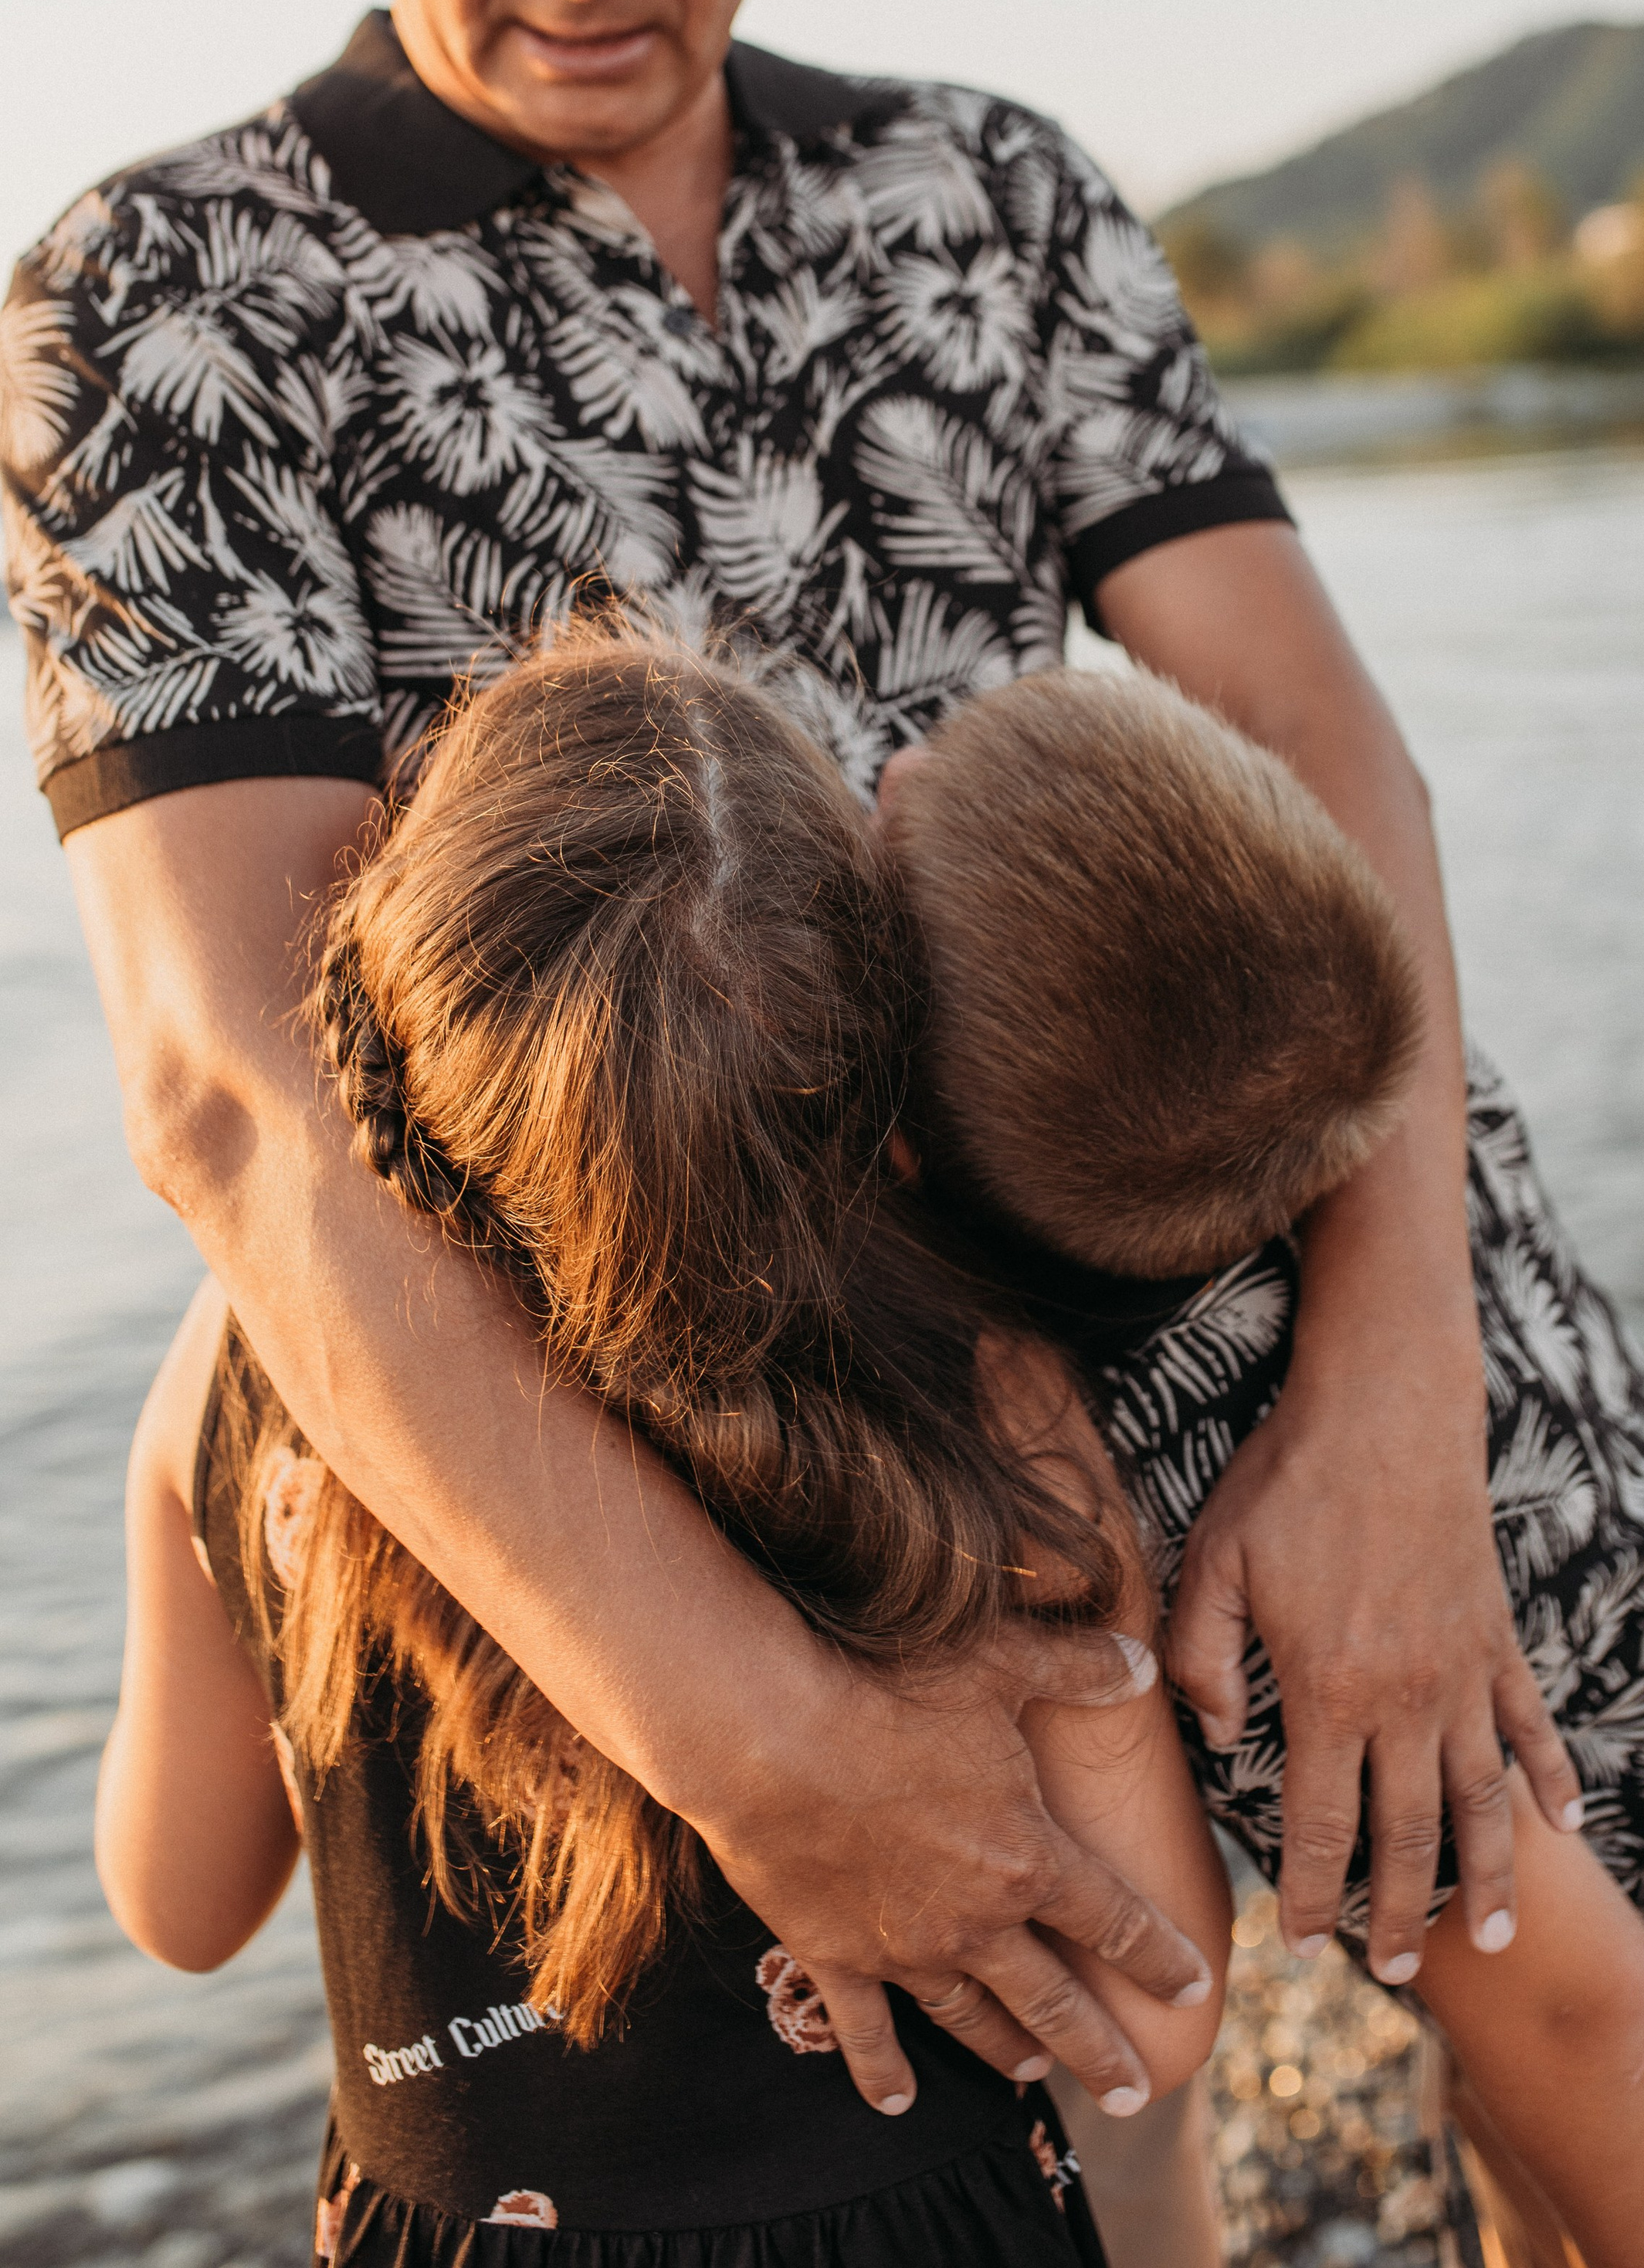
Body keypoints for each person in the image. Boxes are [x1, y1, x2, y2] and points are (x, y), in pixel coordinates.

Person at [3, 0, 1582, 2153]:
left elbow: (1334, 747)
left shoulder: (989, 192)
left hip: (1277, 1410)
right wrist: (770, 1746)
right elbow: (231, 1093)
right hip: (682, 1582)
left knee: (1625, 1974)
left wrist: (1398, 1408)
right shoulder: (158, 301)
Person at [97, 629, 1232, 2264]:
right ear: (869, 1057)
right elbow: (1157, 2014)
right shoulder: (984, 1401)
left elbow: (178, 1904)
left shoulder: (246, 1364)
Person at [880, 666, 1644, 2267]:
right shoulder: (1399, 1112)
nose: (894, 761)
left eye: (920, 777)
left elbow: (1573, 2000)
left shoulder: (1221, 1552)